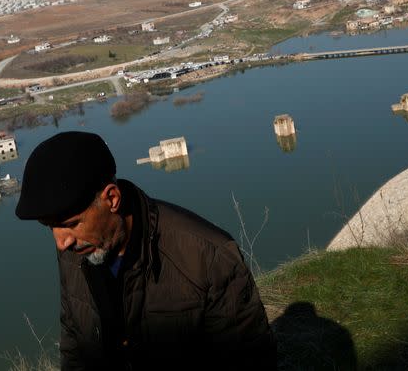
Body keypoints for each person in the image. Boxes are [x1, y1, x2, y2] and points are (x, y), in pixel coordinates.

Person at [16, 131, 276, 370]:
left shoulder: (208, 256)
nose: (61, 243)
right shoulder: (75, 251)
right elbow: (73, 339)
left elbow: (250, 359)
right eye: (49, 227)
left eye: (71, 224)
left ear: (112, 198)